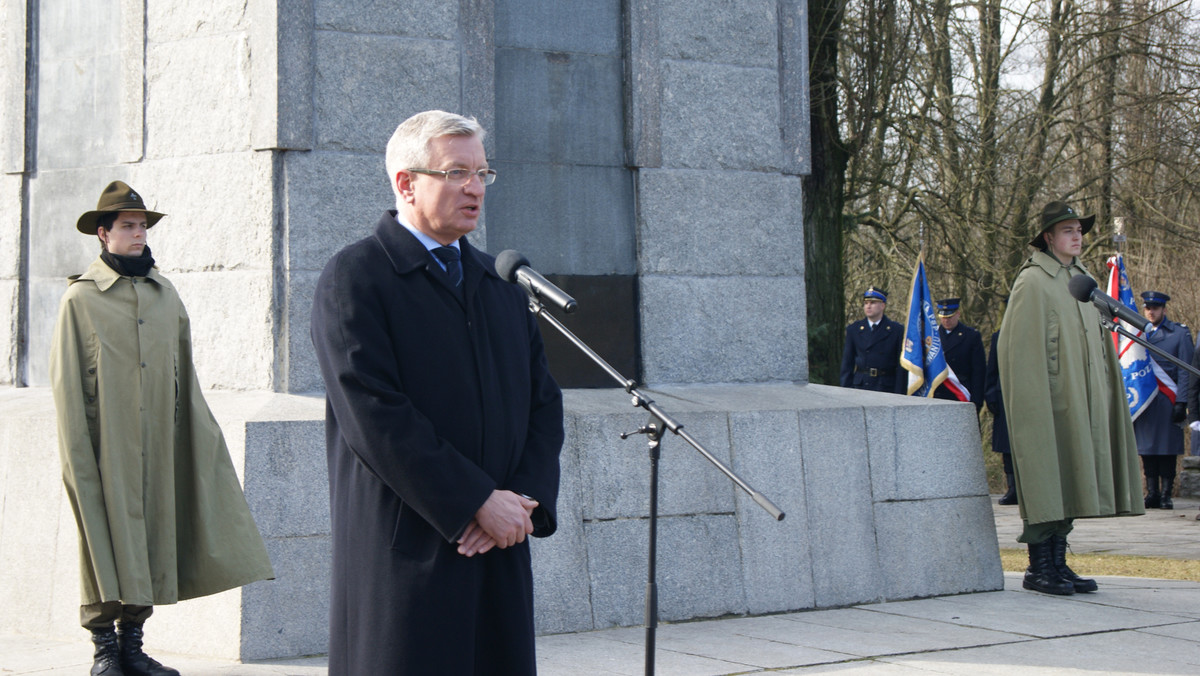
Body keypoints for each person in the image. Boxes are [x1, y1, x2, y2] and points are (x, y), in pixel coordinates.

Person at [310, 110, 564, 675]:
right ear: (406, 183)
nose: (475, 188)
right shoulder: (357, 277)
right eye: (456, 173)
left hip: (500, 543)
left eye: (482, 173)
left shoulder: (498, 283)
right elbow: (373, 413)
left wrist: (522, 498)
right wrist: (474, 500)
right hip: (409, 547)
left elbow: (543, 404)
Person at [49, 181, 275, 676]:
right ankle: (104, 651)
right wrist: (78, 456)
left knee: (151, 536)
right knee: (103, 539)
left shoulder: (163, 294)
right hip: (105, 448)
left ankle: (133, 645)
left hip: (158, 444)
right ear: (103, 235)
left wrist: (195, 442)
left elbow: (184, 375)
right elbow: (67, 388)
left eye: (142, 225)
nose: (137, 233)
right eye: (127, 226)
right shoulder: (80, 302)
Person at [997, 200, 1143, 596]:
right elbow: (1020, 352)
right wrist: (1033, 407)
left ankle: (1058, 563)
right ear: (1048, 238)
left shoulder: (1081, 279)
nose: (1077, 236)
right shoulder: (1033, 281)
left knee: (1072, 476)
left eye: (1079, 230)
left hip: (1083, 399)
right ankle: (1039, 567)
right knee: (1048, 476)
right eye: (1067, 231)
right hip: (1049, 401)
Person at [1134, 291, 1192, 509]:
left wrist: (1182, 401)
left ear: (1164, 310)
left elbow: (1185, 370)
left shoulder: (1179, 334)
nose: (1151, 312)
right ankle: (1152, 493)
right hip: (1146, 400)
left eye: (1155, 308)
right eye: (1147, 308)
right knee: (1147, 448)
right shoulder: (1136, 334)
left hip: (1168, 399)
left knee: (1167, 449)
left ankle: (1167, 494)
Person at [840, 286, 906, 393]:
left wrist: (899, 393)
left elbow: (901, 367)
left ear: (882, 305)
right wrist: (846, 390)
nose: (868, 306)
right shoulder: (854, 330)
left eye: (873, 303)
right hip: (861, 386)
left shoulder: (896, 330)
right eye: (866, 303)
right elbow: (847, 364)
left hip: (886, 386)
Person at [933, 298, 986, 413]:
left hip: (961, 393)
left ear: (958, 314)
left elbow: (978, 371)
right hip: (937, 394)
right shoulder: (932, 337)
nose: (946, 321)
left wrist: (976, 401)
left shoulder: (971, 336)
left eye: (950, 317)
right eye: (943, 317)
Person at [985, 326, 1017, 504]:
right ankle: (1012, 487)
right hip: (1003, 393)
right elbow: (993, 367)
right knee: (1007, 447)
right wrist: (990, 393)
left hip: (1027, 395)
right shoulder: (1000, 334)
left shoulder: (1035, 331)